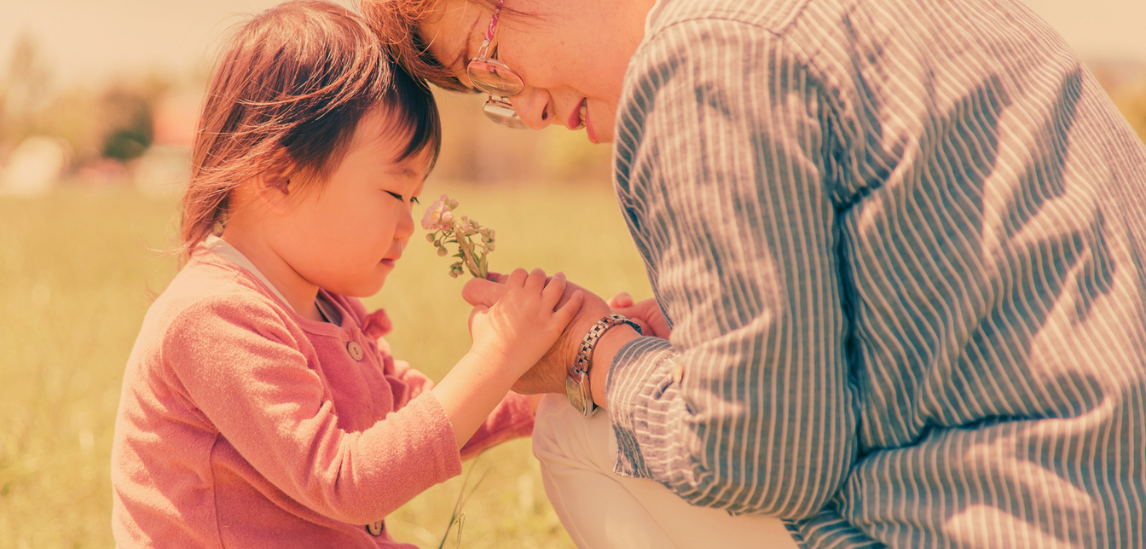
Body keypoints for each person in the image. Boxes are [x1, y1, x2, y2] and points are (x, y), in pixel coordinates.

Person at [364, 0, 1146, 547]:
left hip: (1023, 517)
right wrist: (696, 339)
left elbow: (762, 455)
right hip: (1107, 490)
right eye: (489, 94)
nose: (528, 111)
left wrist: (594, 353)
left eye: (487, 59)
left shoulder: (700, 59)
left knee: (576, 431)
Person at [109, 2, 583, 547]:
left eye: (414, 198)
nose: (408, 225)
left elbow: (416, 421)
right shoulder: (212, 317)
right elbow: (346, 482)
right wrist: (498, 355)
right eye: (393, 192)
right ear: (279, 178)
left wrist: (554, 371)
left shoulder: (326, 307)